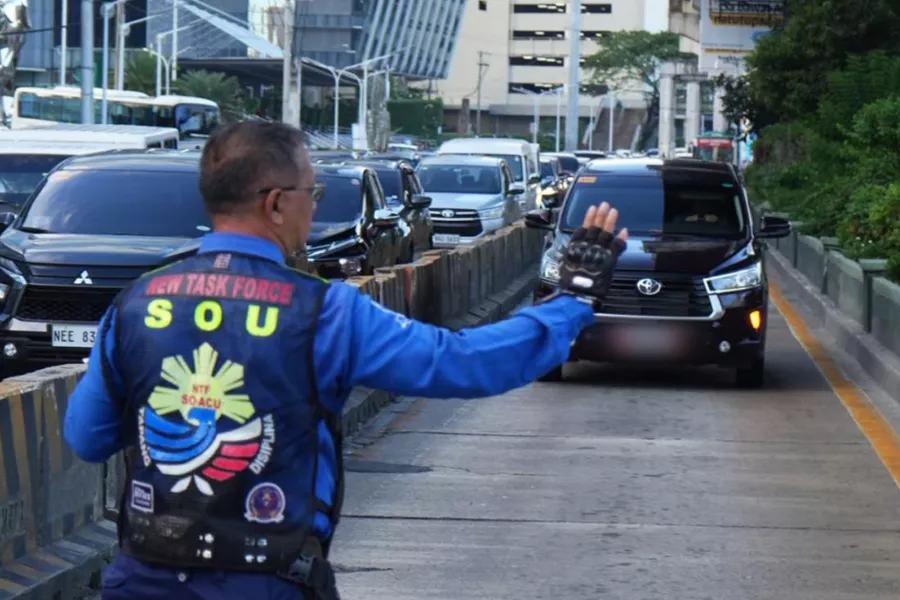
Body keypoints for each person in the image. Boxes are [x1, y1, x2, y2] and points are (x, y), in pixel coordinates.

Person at [63, 121, 628, 600]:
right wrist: (572, 302)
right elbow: (459, 362)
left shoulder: (134, 304)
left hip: (144, 577)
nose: (317, 207)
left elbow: (88, 437)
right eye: (314, 193)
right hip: (267, 580)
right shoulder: (322, 310)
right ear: (276, 203)